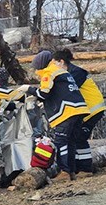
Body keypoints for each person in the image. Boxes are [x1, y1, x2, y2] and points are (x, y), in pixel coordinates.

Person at [18, 50, 89, 181]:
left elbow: (44, 93)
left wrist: (28, 89)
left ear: (40, 65)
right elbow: (55, 92)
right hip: (79, 109)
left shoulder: (48, 72)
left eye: (35, 69)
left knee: (61, 141)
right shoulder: (62, 71)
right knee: (71, 141)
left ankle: (65, 172)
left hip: (66, 111)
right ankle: (71, 170)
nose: (35, 72)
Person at [52, 49, 106, 176]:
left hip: (92, 110)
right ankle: (76, 168)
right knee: (74, 138)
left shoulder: (75, 73)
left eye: (54, 63)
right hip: (87, 110)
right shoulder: (71, 72)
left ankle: (85, 169)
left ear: (61, 61)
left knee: (80, 138)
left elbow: (64, 90)